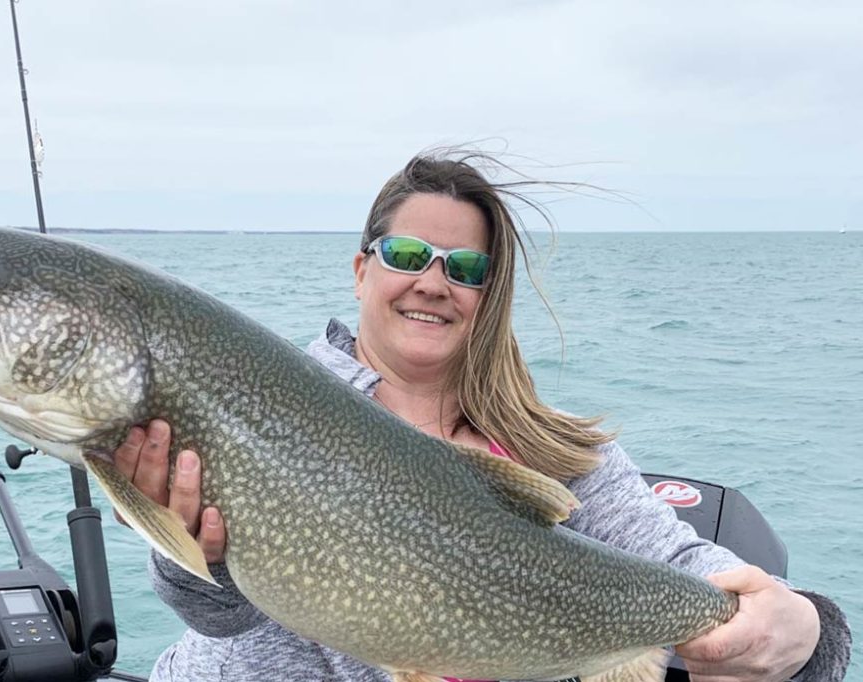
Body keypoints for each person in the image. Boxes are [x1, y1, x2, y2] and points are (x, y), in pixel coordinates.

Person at [113, 153, 851, 681]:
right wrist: (194, 552)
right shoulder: (261, 400)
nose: (433, 282)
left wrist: (806, 627)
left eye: (464, 267)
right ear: (362, 267)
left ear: (488, 293)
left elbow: (683, 567)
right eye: (407, 254)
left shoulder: (554, 449)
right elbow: (218, 617)